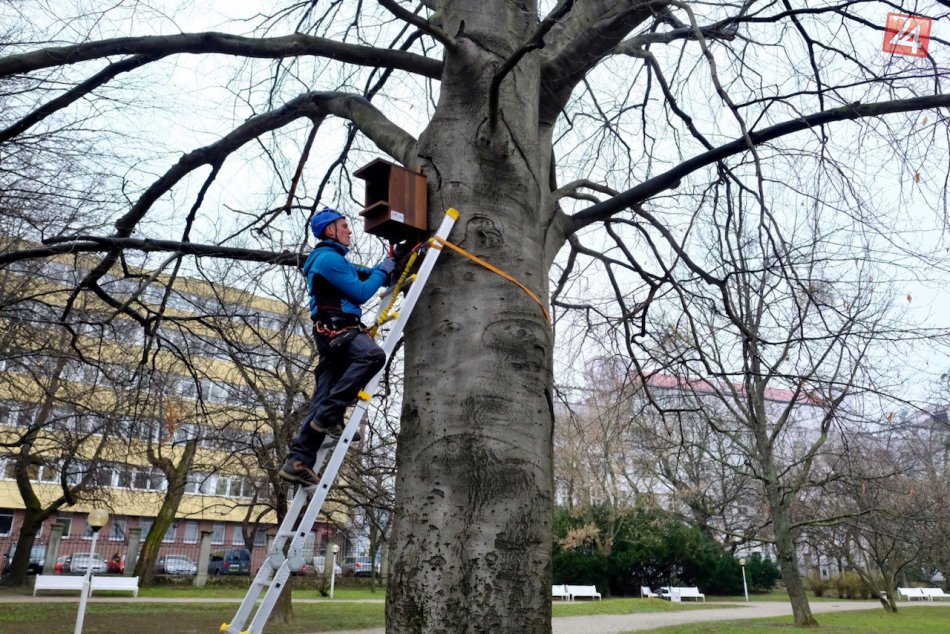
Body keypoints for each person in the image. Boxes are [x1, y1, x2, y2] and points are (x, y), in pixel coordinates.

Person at [279, 209, 395, 486]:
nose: (350, 230)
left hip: (331, 330)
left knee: (322, 396)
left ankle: (298, 461)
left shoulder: (335, 261)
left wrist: (388, 266)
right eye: (344, 226)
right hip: (337, 328)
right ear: (330, 230)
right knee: (371, 356)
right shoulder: (328, 259)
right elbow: (362, 292)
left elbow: (367, 274)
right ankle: (330, 416)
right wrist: (382, 271)